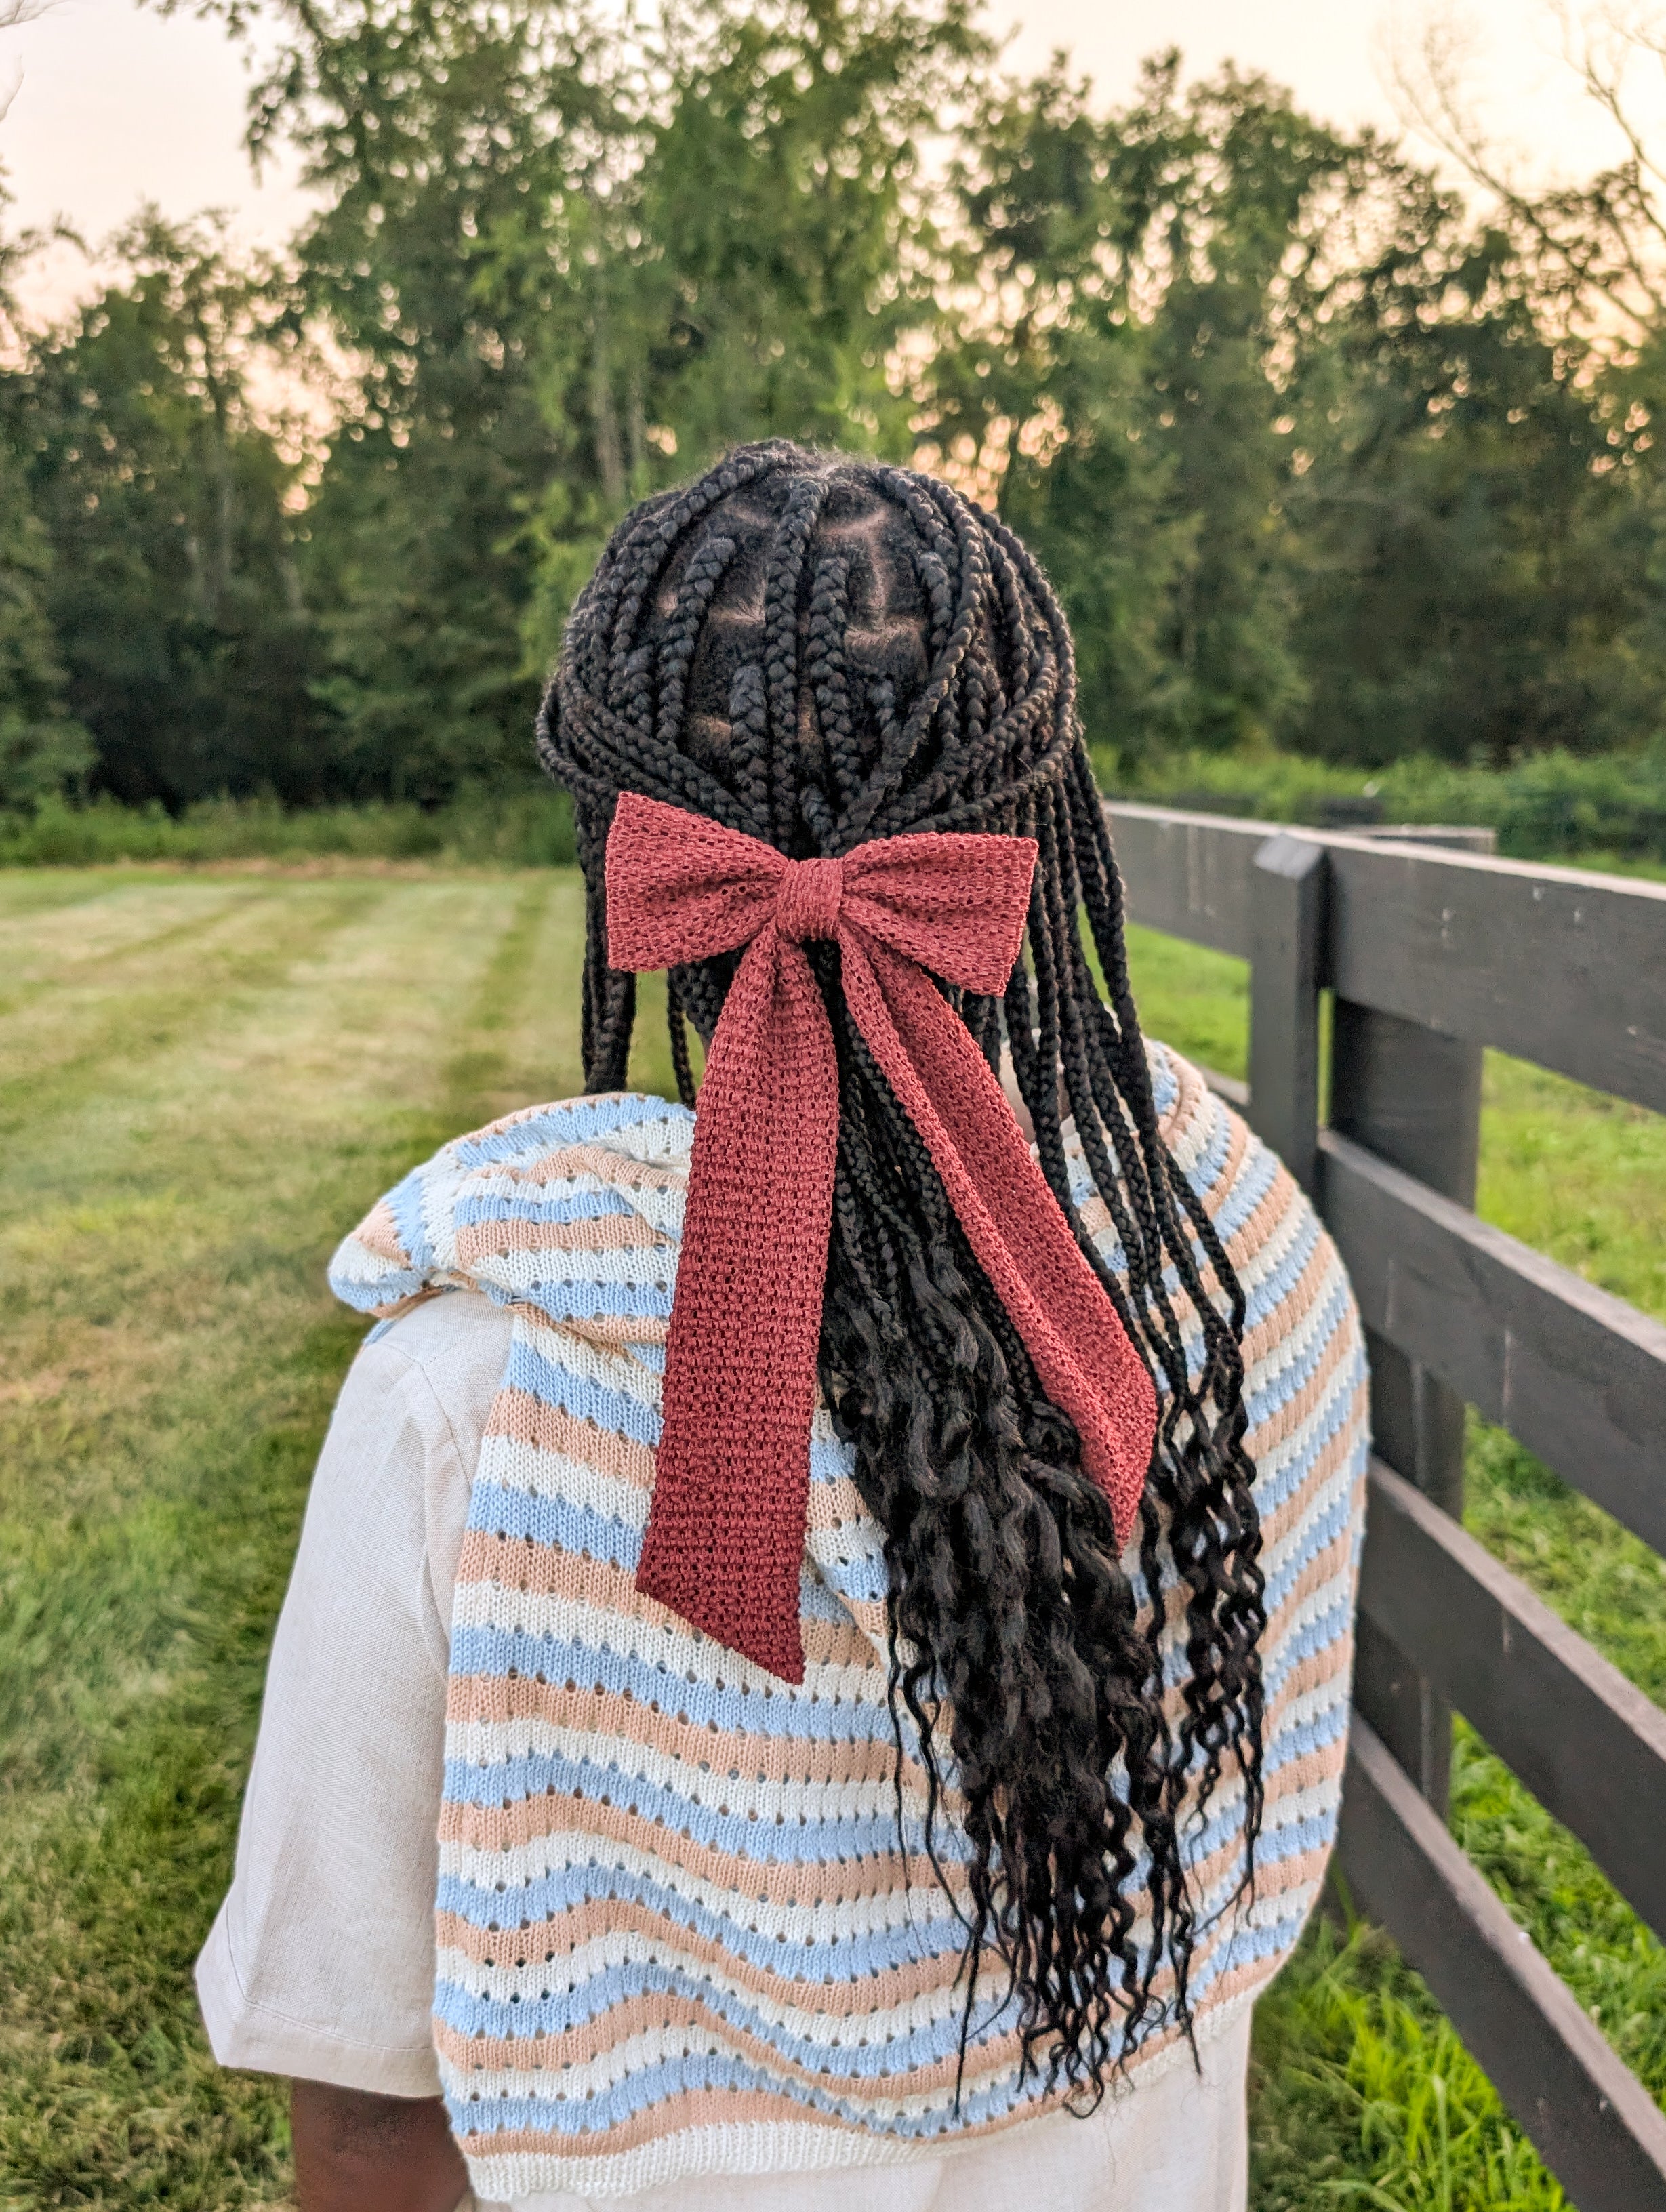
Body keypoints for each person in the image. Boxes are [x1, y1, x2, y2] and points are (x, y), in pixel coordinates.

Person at [197, 443, 1368, 2212]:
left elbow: (362, 2094)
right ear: (1038, 828)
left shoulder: (468, 1407)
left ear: (627, 847)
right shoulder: (1238, 1278)